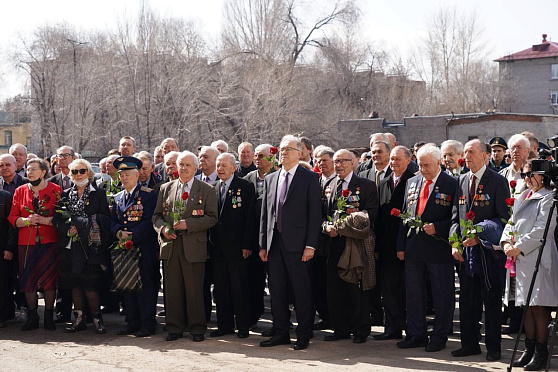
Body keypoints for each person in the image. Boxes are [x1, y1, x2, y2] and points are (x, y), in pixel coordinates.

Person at [259, 135, 321, 351]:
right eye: (281, 150)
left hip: (299, 245)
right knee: (277, 290)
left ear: (299, 153)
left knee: (301, 290)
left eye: (288, 149)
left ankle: (304, 333)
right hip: (274, 243)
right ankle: (281, 331)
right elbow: (265, 215)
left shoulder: (309, 178)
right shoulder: (270, 178)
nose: (283, 153)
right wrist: (263, 245)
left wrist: (311, 245)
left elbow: (315, 215)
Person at [450, 139, 510, 361]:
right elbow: (456, 217)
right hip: (466, 253)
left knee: (491, 301)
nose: (467, 156)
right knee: (467, 300)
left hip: (488, 253)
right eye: (465, 153)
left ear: (485, 155)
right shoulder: (462, 180)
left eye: (471, 152)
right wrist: (455, 242)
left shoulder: (497, 181)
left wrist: (480, 234)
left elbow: (504, 218)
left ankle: (493, 347)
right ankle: (470, 344)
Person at [395, 145, 457, 352]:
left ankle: (439, 335)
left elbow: (457, 217)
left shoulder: (452, 184)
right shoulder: (412, 182)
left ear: (439, 162)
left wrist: (439, 228)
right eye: (420, 165)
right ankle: (416, 334)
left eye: (427, 165)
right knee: (414, 294)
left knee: (441, 294)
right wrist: (401, 245)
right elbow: (405, 215)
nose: (423, 169)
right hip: (414, 247)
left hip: (438, 248)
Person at [152, 151, 218, 342]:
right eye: (181, 164)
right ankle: (174, 327)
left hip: (193, 245)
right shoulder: (166, 188)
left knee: (194, 289)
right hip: (171, 244)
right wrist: (163, 228)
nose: (184, 168)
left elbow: (212, 217)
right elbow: (156, 216)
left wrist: (189, 224)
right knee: (172, 289)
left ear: (196, 168)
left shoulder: (206, 189)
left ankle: (197, 328)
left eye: (188, 165)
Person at [501, 160, 558, 370]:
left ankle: (541, 352)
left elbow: (542, 230)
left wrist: (519, 247)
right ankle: (529, 348)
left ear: (541, 176)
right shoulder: (523, 196)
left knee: (539, 306)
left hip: (539, 257)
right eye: (524, 175)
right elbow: (511, 223)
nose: (525, 179)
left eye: (529, 175)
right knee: (526, 306)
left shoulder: (549, 198)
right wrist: (507, 242)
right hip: (520, 259)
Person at [322, 149, 378, 344]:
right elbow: (321, 214)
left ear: (353, 162)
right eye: (336, 161)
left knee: (356, 289)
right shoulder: (329, 184)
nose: (339, 165)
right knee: (334, 290)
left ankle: (360, 330)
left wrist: (342, 228)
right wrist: (326, 226)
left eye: (343, 161)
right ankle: (340, 329)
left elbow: (369, 215)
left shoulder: (366, 185)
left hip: (354, 244)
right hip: (332, 245)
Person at [53, 159, 111, 334]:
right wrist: (68, 228)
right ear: (70, 175)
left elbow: (104, 219)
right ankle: (78, 320)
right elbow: (57, 219)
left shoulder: (98, 194)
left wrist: (81, 226)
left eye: (82, 171)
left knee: (90, 285)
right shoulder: (65, 194)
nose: (78, 175)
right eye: (75, 172)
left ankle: (97, 319)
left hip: (90, 247)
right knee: (75, 285)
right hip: (70, 247)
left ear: (89, 173)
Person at [8, 159, 61, 331]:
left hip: (49, 242)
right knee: (28, 279)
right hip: (27, 242)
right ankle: (32, 316)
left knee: (49, 280)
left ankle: (48, 316)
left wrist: (47, 220)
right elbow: (13, 217)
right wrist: (25, 221)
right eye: (28, 170)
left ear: (43, 172)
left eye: (33, 170)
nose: (29, 173)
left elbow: (62, 217)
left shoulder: (56, 190)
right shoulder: (20, 191)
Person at [110, 156, 160, 338]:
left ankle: (147, 324)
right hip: (124, 249)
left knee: (146, 286)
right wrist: (118, 233)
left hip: (143, 248)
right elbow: (113, 221)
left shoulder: (148, 194)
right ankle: (132, 322)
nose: (123, 178)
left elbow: (149, 221)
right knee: (128, 285)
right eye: (121, 175)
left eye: (127, 175)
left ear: (137, 174)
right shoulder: (117, 198)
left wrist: (133, 236)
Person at [208, 153, 256, 338]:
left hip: (238, 247)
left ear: (233, 167)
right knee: (220, 289)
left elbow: (250, 218)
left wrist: (247, 244)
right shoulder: (212, 188)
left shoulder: (245, 186)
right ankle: (224, 326)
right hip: (217, 248)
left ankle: (243, 326)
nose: (220, 168)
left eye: (224, 165)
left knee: (239, 288)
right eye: (218, 165)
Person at [374, 146, 414, 341]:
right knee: (388, 290)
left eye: (398, 159)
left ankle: (411, 328)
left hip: (407, 246)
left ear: (408, 160)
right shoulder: (383, 183)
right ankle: (392, 328)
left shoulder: (413, 181)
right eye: (391, 159)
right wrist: (377, 248)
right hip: (386, 247)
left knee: (407, 290)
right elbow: (379, 218)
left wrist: (403, 246)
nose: (394, 163)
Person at [243, 144, 274, 327]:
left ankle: (281, 320)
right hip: (254, 238)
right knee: (254, 280)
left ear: (271, 158)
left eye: (261, 156)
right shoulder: (248, 180)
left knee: (277, 282)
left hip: (275, 238)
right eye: (256, 156)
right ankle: (253, 315)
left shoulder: (279, 177)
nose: (257, 159)